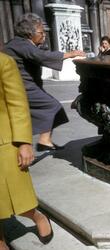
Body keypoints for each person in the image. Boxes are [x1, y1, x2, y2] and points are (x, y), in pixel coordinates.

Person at [0, 52, 54, 250]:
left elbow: (18, 104)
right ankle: (1, 246)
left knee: (17, 197)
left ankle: (36, 216)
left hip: (4, 140)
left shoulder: (4, 62)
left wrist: (24, 143)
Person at [4, 13, 85, 151]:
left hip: (30, 86)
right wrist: (71, 53)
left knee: (55, 110)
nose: (44, 35)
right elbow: (41, 57)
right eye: (41, 32)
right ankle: (36, 142)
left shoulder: (22, 44)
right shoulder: (21, 44)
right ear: (29, 33)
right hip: (23, 88)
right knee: (52, 106)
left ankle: (44, 140)